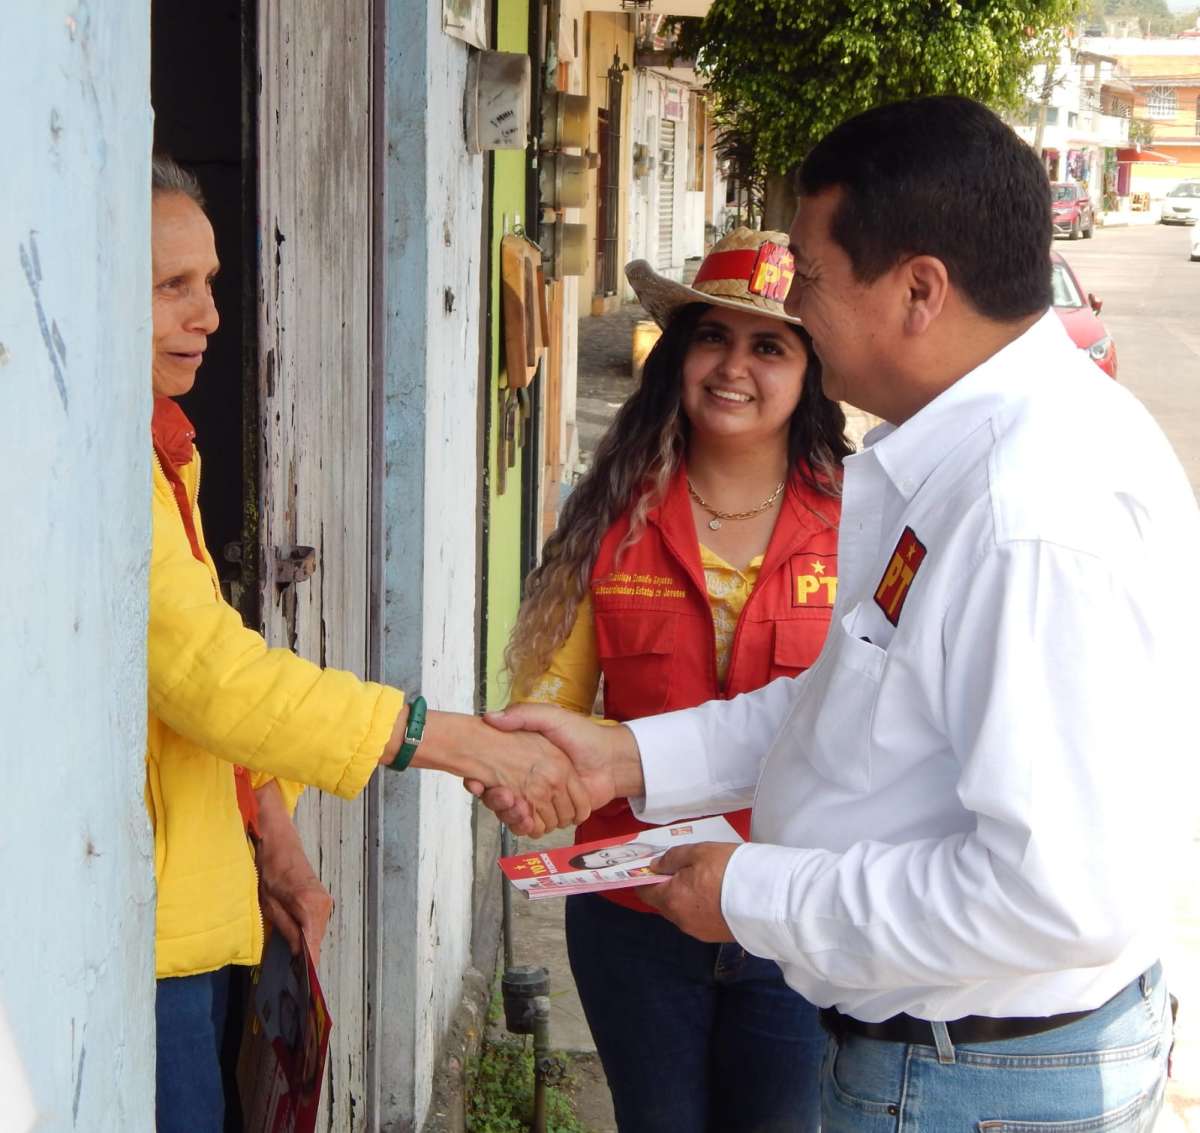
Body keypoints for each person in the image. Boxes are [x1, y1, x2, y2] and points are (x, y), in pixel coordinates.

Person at [480, 96, 1200, 1132]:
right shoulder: (954, 463)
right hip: (933, 1058)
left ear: (918, 290)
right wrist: (627, 756)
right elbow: (855, 703)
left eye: (809, 284)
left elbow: (1055, 896)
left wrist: (757, 892)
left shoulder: (1028, 514)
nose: (796, 316)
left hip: (974, 1083)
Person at [147, 155, 586, 1132]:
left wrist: (273, 839)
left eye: (209, 282)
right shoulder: (95, 468)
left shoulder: (161, 446)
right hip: (139, 946)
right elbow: (208, 677)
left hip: (192, 922)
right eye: (171, 286)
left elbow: (197, 672)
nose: (209, 315)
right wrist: (459, 740)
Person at [502, 227, 850, 1132]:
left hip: (793, 913)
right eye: (712, 336)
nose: (734, 365)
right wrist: (527, 770)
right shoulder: (611, 513)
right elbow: (551, 696)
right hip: (634, 910)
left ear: (810, 369)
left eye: (768, 344)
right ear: (679, 354)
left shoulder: (864, 523)